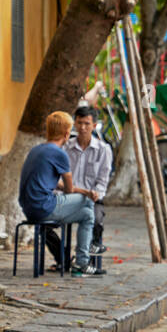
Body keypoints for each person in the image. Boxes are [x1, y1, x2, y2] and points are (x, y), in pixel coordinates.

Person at [18, 111, 97, 276]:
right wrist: (87, 194)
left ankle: (81, 260)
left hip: (28, 208)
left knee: (87, 214)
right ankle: (85, 257)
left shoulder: (37, 150)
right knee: (88, 204)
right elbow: (68, 189)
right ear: (67, 133)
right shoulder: (59, 153)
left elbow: (56, 184)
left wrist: (86, 191)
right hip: (44, 207)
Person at [63, 105, 112, 268]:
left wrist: (96, 193)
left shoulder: (103, 150)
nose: (83, 128)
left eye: (87, 123)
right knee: (45, 223)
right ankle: (62, 260)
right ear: (74, 124)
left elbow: (103, 180)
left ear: (94, 125)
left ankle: (89, 258)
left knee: (97, 220)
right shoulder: (65, 147)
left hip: (92, 199)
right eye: (79, 123)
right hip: (68, 198)